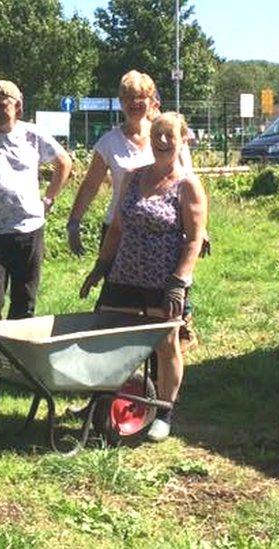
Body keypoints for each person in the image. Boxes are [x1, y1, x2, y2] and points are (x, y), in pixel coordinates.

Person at [80, 112, 209, 442]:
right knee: (107, 336)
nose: (163, 141)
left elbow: (194, 239)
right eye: (158, 135)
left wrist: (179, 282)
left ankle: (165, 411)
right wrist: (101, 266)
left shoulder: (188, 185)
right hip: (125, 273)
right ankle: (105, 400)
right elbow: (118, 227)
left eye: (170, 135)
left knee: (166, 346)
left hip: (162, 279)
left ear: (183, 141)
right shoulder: (134, 178)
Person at [67, 70, 200, 351]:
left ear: (152, 100)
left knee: (163, 310)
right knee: (116, 309)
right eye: (128, 97)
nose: (135, 103)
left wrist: (201, 231)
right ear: (120, 101)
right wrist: (74, 222)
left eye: (141, 97)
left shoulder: (168, 134)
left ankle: (164, 362)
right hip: (120, 230)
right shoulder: (109, 142)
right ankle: (123, 376)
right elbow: (90, 185)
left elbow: (188, 187)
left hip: (165, 233)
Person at [0, 80, 72, 321]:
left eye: (2, 105)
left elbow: (64, 162)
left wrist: (49, 199)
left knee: (24, 299)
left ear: (17, 107)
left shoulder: (33, 135)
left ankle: (17, 354)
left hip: (29, 230)